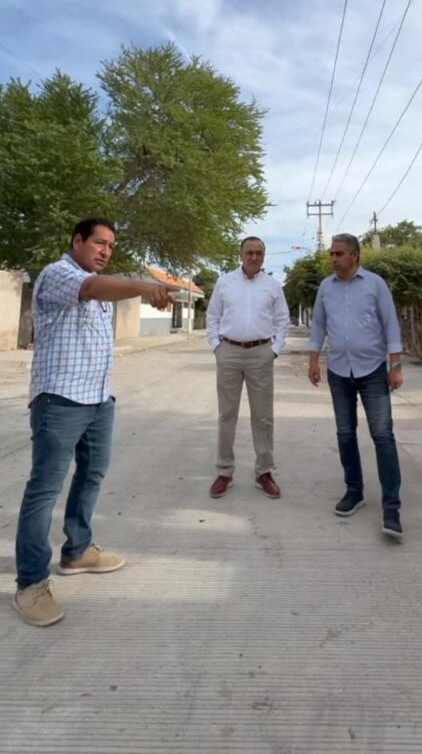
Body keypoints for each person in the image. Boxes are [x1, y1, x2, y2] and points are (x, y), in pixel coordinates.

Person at [13, 218, 178, 627]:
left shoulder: (100, 285)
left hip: (99, 400)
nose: (105, 251)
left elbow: (102, 291)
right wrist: (145, 287)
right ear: (77, 241)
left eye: (111, 246)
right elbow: (91, 289)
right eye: (99, 243)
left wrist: (146, 291)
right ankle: (31, 583)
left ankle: (77, 551)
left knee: (92, 476)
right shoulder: (59, 274)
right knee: (44, 489)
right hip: (60, 400)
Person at [308, 233, 404, 539]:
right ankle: (354, 491)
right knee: (345, 433)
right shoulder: (326, 287)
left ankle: (391, 508)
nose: (333, 259)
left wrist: (395, 366)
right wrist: (313, 361)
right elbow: (318, 325)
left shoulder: (375, 284)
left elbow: (390, 324)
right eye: (331, 254)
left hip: (373, 370)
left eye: (339, 254)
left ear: (355, 255)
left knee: (383, 435)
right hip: (338, 370)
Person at [206, 236, 290, 499]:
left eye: (259, 253)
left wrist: (275, 349)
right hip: (229, 352)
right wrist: (217, 346)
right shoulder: (224, 282)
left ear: (264, 256)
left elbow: (282, 319)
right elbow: (212, 316)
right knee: (226, 414)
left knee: (263, 417)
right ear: (241, 254)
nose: (254, 257)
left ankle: (264, 471)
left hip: (261, 353)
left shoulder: (273, 286)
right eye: (249, 252)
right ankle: (224, 471)